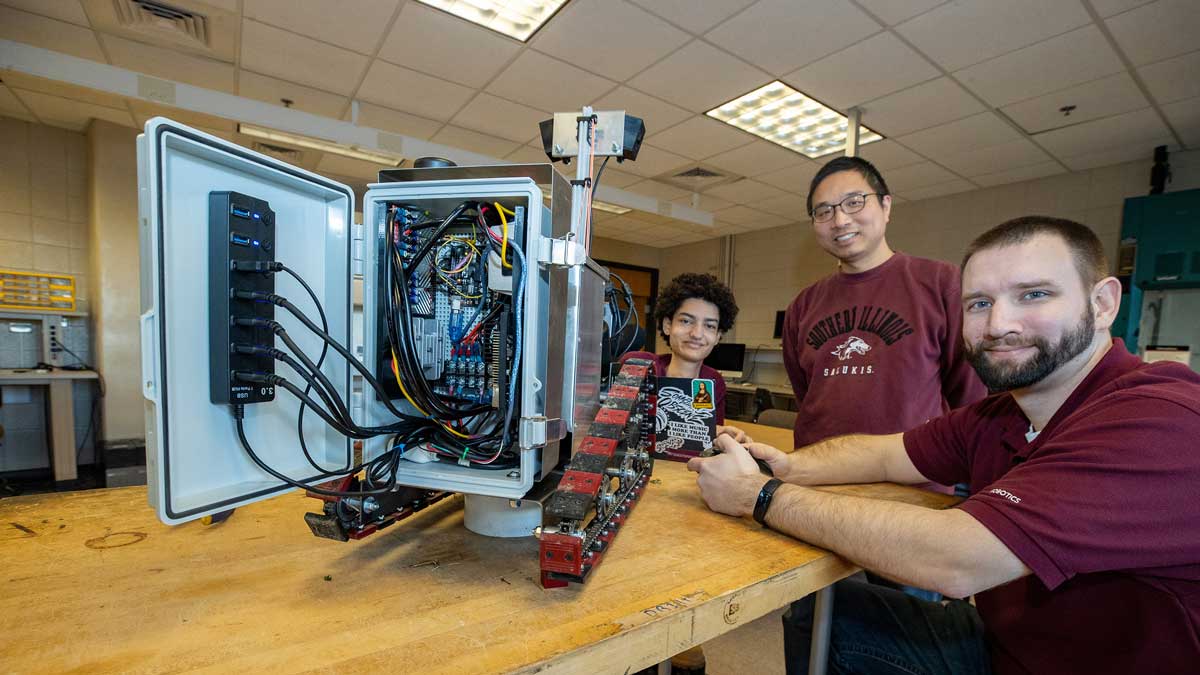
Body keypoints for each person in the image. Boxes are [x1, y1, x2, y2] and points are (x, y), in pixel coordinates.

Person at [687, 216, 1200, 674]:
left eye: (1034, 295)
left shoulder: (1161, 419)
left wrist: (760, 497)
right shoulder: (1001, 414)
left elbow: (957, 558)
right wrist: (786, 467)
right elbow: (888, 452)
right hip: (1004, 649)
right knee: (823, 611)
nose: (999, 324)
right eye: (980, 303)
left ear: (1104, 302)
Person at [623, 272, 747, 442]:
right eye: (686, 321)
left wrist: (721, 436)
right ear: (667, 325)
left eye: (710, 325)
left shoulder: (713, 381)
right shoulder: (639, 365)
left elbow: (706, 442)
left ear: (718, 336)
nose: (697, 334)